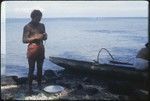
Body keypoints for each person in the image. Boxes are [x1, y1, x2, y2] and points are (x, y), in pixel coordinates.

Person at [22, 10, 47, 94]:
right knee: (31, 69)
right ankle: (30, 87)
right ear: (33, 17)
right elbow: (24, 40)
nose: (40, 19)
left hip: (41, 49)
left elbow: (44, 38)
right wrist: (35, 37)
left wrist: (45, 36)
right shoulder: (27, 27)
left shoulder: (42, 25)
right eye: (38, 18)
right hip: (32, 50)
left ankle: (39, 85)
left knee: (40, 68)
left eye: (40, 18)